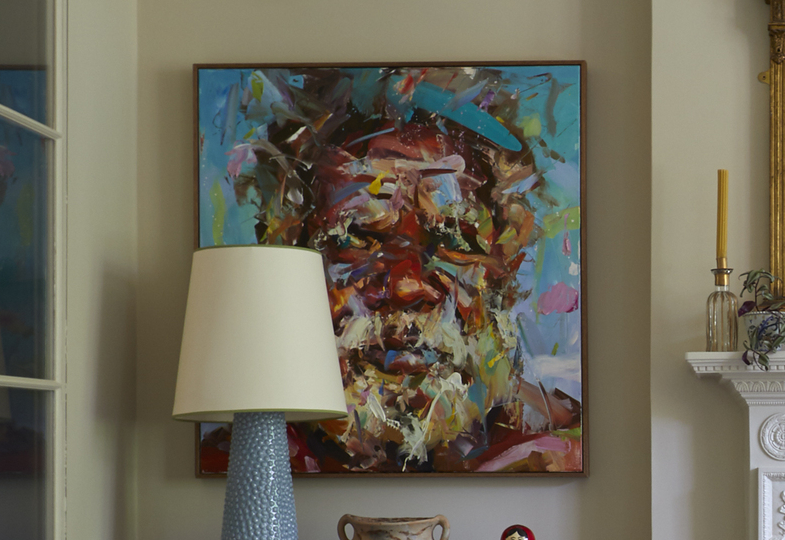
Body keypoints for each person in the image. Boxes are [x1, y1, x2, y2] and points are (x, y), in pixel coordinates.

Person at [204, 67, 582, 474]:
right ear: (293, 246)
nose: (407, 285)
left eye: (455, 241)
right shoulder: (239, 464)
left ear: (505, 265)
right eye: (357, 236)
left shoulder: (555, 454)